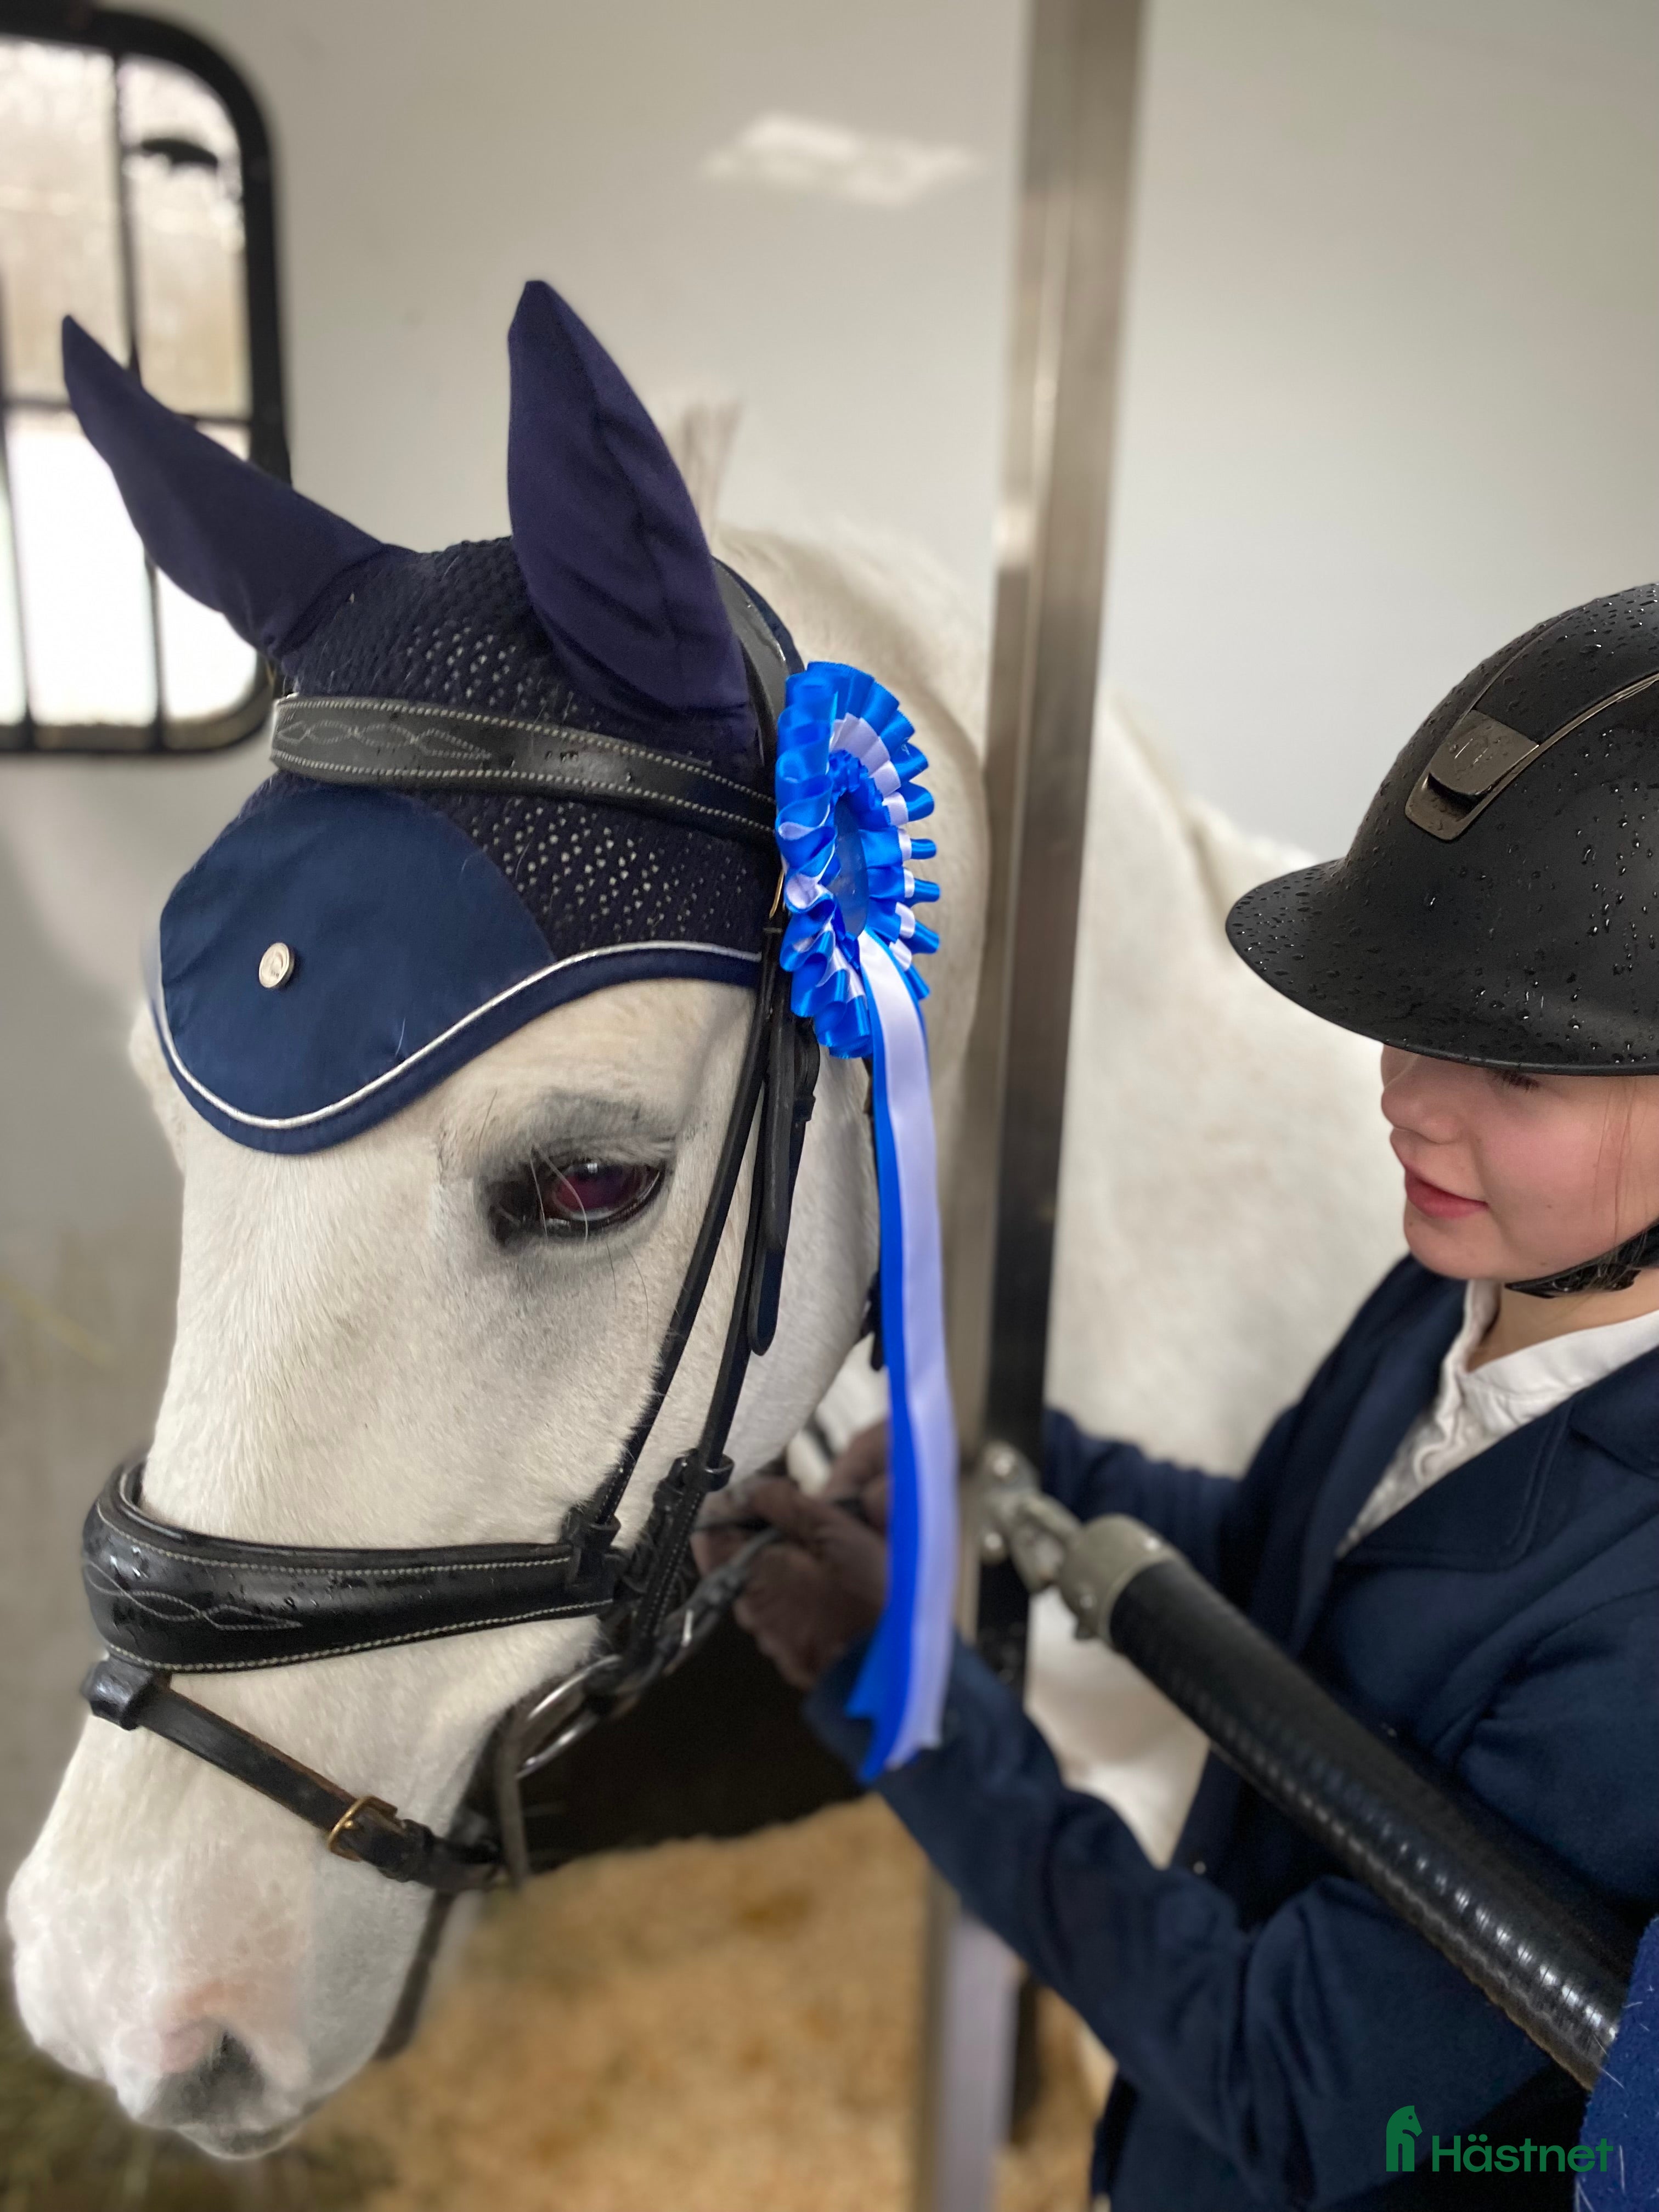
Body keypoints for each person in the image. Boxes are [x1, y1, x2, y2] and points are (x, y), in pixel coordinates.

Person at [696, 583, 1659, 2210]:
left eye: (1517, 1072)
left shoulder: (1639, 1622)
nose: (1408, 1105)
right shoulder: (1466, 1278)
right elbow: (1288, 1554)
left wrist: (907, 1698)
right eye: (1408, 1032)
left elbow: (1287, 2087)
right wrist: (1007, 1455)